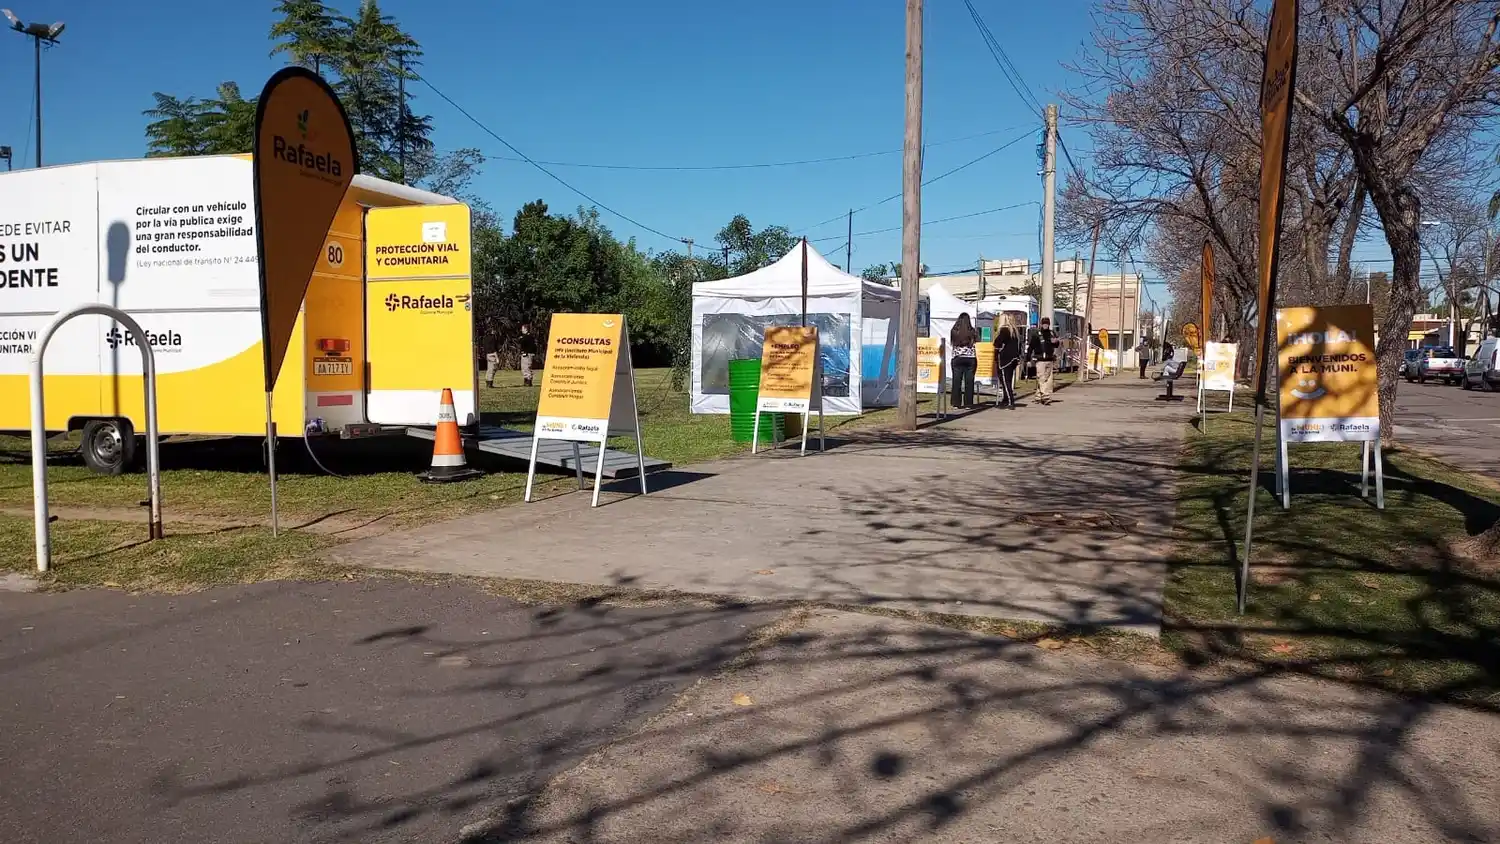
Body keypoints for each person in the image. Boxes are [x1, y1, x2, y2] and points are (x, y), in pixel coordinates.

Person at [1026, 317, 1061, 405]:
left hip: (1049, 359)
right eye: (1044, 323)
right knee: (1041, 378)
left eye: (1047, 323)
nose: (1045, 325)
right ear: (1041, 324)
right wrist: (1028, 359)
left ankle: (1038, 397)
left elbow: (1056, 346)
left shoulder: (1052, 333)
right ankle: (1045, 397)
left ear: (1049, 324)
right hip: (1040, 360)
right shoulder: (1036, 335)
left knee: (1045, 379)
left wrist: (1056, 342)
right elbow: (1030, 348)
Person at [950, 313, 978, 409]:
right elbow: (976, 341)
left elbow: (953, 343)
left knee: (956, 381)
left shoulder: (954, 331)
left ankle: (956, 403)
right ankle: (968, 403)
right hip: (970, 358)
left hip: (957, 357)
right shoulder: (972, 331)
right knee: (969, 382)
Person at [994, 323, 1021, 408]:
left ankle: (1010, 401)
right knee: (1006, 380)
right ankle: (1006, 399)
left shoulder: (1005, 330)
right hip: (1013, 359)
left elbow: (997, 343)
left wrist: (997, 351)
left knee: (1006, 381)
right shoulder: (1015, 332)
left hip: (1006, 360)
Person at [480, 323, 501, 389]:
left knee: (489, 369)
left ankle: (487, 382)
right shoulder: (493, 338)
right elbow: (493, 348)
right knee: (493, 369)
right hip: (492, 354)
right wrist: (497, 357)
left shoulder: (485, 338)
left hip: (487, 355)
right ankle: (490, 383)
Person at [518, 323, 537, 387]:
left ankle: (529, 381)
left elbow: (522, 341)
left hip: (528, 354)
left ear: (526, 329)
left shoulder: (529, 336)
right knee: (524, 367)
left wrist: (521, 338)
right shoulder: (525, 336)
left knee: (527, 367)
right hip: (524, 354)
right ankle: (526, 380)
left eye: (522, 328)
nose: (521, 330)